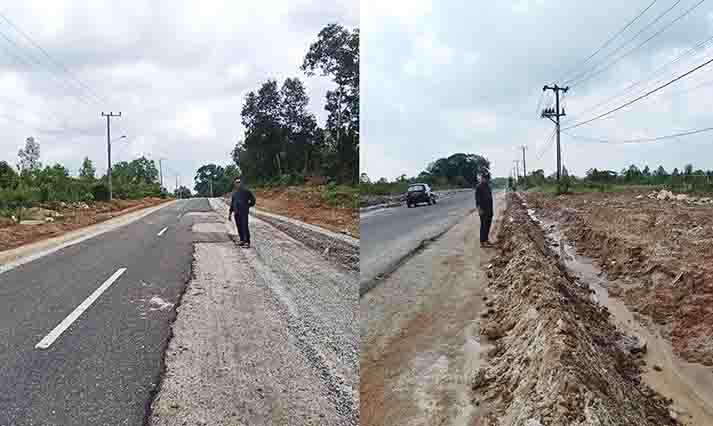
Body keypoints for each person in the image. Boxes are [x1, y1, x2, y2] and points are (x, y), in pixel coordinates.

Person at [228, 177, 256, 248]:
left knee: (244, 226)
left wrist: (248, 206)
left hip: (243, 212)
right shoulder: (234, 193)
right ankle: (242, 240)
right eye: (236, 182)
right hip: (236, 212)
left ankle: (247, 242)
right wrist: (230, 213)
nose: (238, 183)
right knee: (239, 226)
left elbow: (253, 200)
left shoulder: (246, 191)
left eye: (239, 182)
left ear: (241, 182)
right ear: (234, 183)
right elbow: (232, 203)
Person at [475, 171, 494, 248]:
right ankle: (482, 242)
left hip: (489, 210)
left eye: (487, 178)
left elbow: (490, 198)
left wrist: (491, 211)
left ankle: (486, 240)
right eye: (485, 178)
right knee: (484, 226)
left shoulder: (488, 186)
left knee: (488, 226)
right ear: (482, 178)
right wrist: (479, 209)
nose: (486, 179)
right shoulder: (479, 187)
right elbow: (477, 200)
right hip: (483, 210)